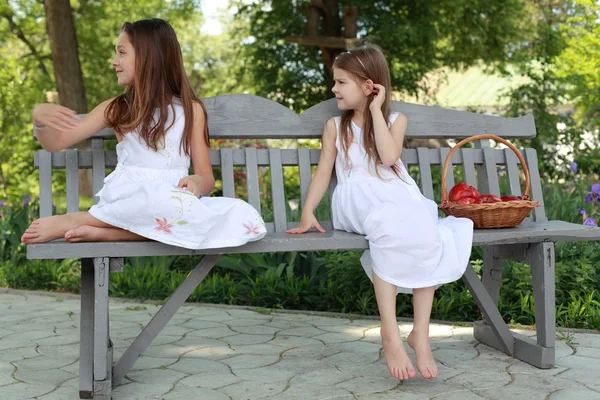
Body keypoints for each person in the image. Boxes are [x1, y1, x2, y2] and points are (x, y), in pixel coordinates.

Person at [287, 44, 473, 380]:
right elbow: (323, 172)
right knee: (388, 225)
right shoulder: (336, 126)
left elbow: (388, 158)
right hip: (357, 198)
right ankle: (390, 332)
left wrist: (375, 110)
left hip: (397, 193)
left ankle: (420, 333)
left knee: (426, 225)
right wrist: (308, 211)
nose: (334, 89)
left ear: (368, 85)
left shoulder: (394, 120)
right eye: (335, 82)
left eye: (341, 82)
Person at [21, 18, 266, 249]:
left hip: (173, 204)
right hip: (129, 203)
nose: (113, 61)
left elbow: (206, 177)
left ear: (150, 58)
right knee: (154, 203)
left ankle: (108, 232)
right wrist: (40, 119)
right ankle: (74, 220)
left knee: (240, 212)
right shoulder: (116, 108)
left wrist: (197, 182)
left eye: (122, 52)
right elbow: (58, 142)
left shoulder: (192, 110)